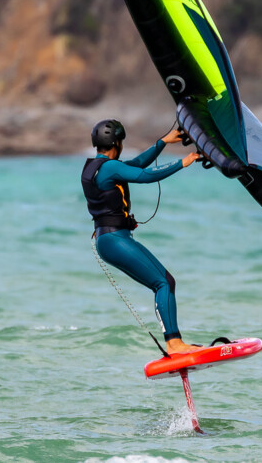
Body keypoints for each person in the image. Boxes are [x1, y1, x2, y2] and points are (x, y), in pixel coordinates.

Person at [82, 119, 203, 355]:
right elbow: (145, 174)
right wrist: (183, 162)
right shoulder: (109, 168)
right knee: (163, 283)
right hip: (116, 239)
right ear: (116, 143)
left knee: (162, 282)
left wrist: (162, 143)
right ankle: (174, 343)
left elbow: (135, 164)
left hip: (108, 241)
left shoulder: (94, 167)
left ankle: (174, 342)